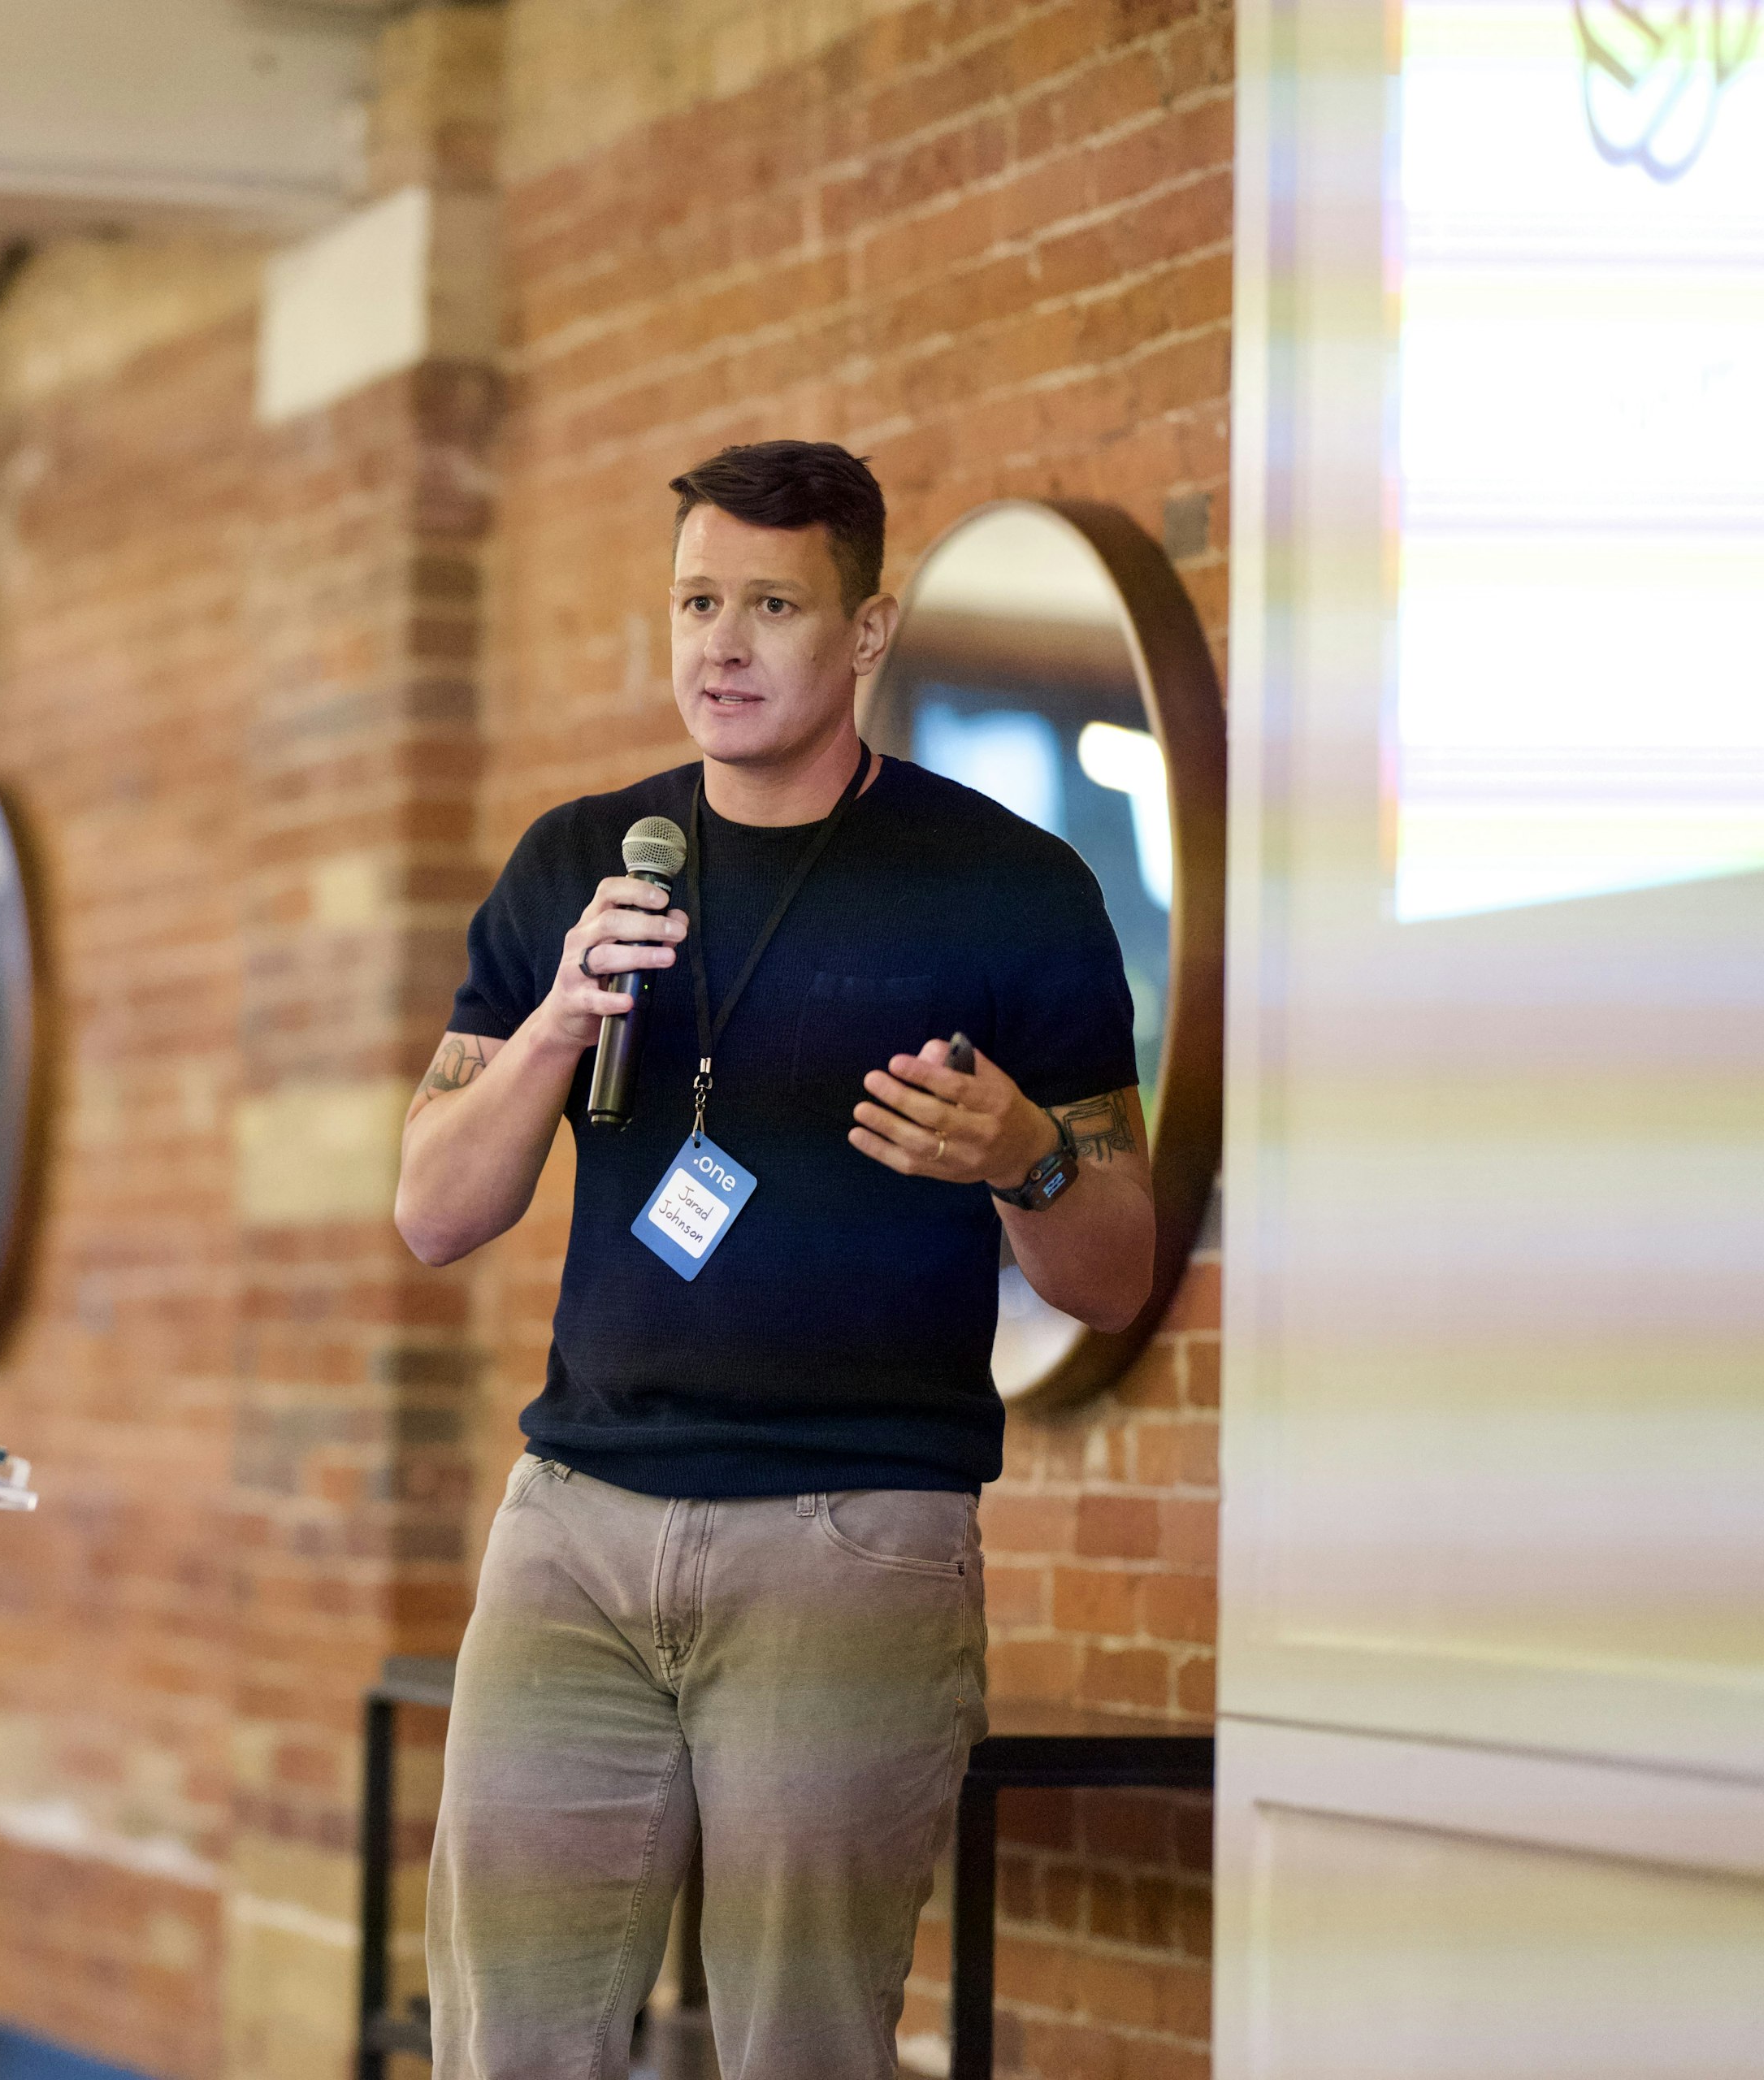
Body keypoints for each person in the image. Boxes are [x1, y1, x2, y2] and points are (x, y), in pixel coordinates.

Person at [397, 440, 1153, 2078]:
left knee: (801, 2044)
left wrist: (1023, 1152)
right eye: (695, 602)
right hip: (576, 1525)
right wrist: (557, 1023)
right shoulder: (578, 866)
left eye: (771, 606)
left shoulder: (1011, 889)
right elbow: (434, 1210)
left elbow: (1113, 1269)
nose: (721, 645)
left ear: (865, 632)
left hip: (850, 1535)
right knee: (504, 2040)